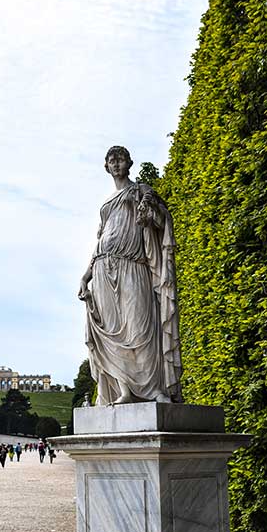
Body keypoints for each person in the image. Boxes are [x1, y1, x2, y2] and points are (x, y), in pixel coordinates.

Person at [78, 145, 182, 405]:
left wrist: (150, 214)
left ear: (129, 163)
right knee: (112, 331)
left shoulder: (141, 191)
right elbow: (100, 239)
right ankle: (124, 390)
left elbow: (161, 221)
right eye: (111, 160)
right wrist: (85, 275)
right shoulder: (105, 202)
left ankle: (155, 389)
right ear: (106, 166)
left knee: (140, 328)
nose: (115, 164)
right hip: (102, 268)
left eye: (120, 159)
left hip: (133, 264)